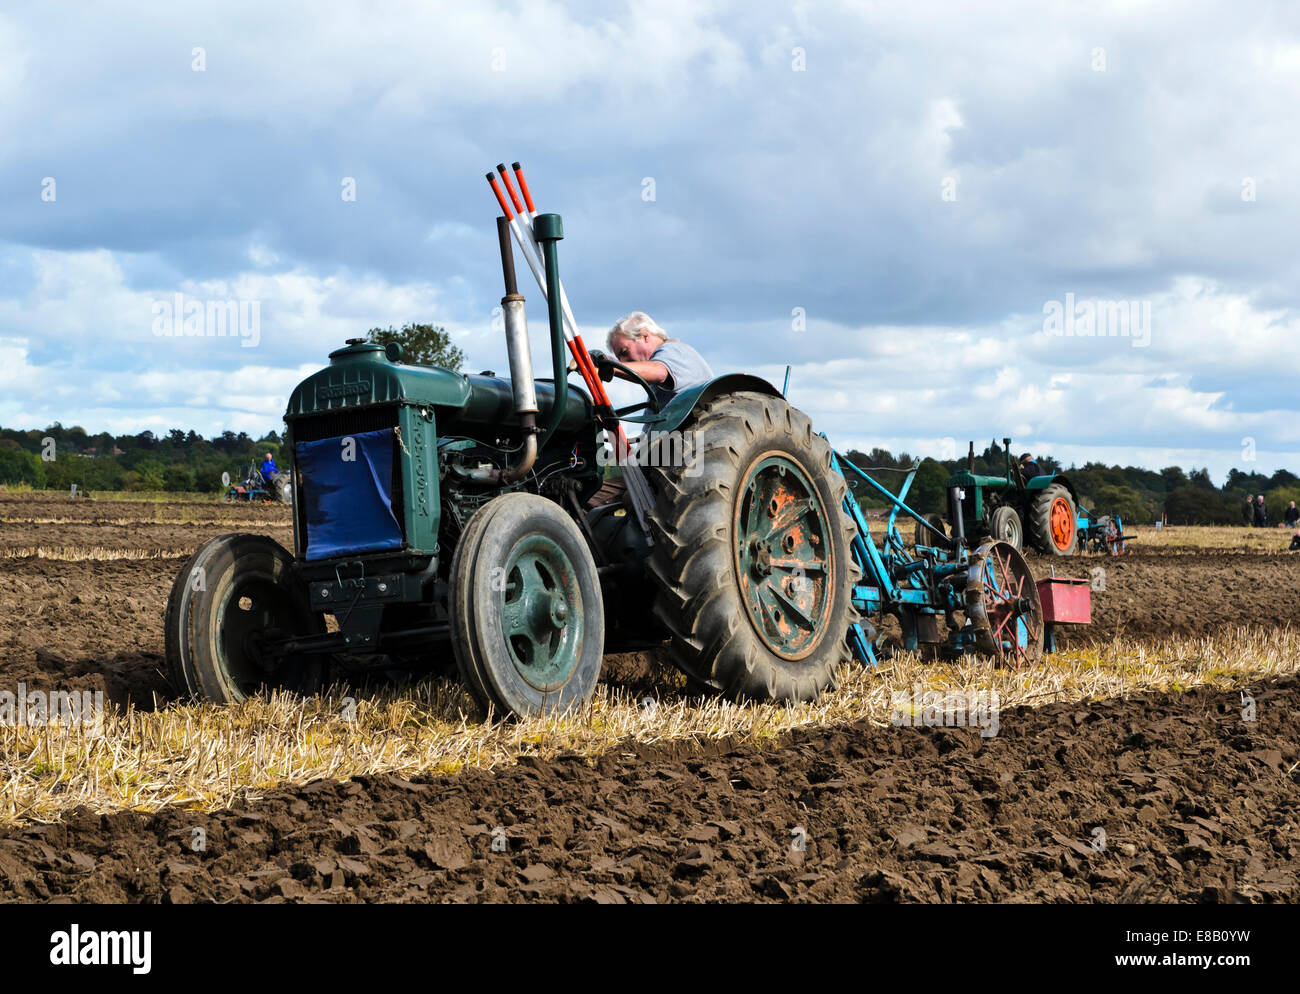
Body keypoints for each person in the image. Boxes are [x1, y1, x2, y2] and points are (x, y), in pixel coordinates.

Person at [586, 312, 714, 508]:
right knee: (587, 495)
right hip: (660, 462)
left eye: (624, 351)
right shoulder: (660, 393)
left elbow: (659, 372)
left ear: (645, 336)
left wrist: (612, 367)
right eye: (620, 356)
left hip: (681, 463)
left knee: (600, 500)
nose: (625, 360)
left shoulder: (673, 351)